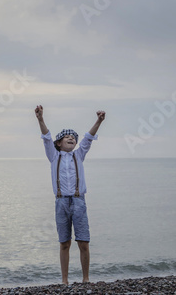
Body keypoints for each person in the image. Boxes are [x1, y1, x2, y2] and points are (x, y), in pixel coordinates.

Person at [34, 105, 105, 284]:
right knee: (64, 242)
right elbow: (46, 138)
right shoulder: (53, 156)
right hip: (61, 202)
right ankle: (64, 280)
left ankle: (86, 279)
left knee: (83, 242)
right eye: (67, 137)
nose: (71, 138)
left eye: (73, 137)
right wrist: (40, 119)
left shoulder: (79, 155)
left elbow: (88, 139)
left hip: (79, 201)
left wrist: (99, 121)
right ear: (59, 143)